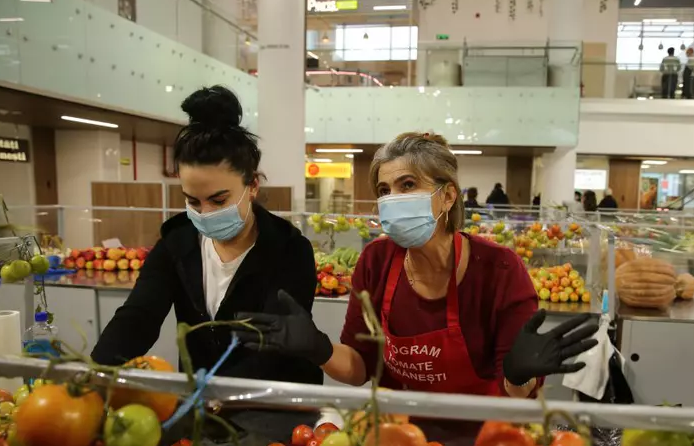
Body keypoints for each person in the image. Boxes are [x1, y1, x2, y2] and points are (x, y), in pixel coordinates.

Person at [235, 132, 599, 399]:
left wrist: (518, 375)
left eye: (407, 185)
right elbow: (361, 368)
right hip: (399, 438)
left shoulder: (499, 269)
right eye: (384, 190)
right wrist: (318, 348)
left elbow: (516, 395)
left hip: (483, 442)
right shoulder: (376, 261)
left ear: (448, 195)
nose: (393, 199)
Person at [91, 86, 322, 446]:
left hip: (274, 405)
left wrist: (213, 395)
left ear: (252, 185)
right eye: (193, 201)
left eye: (218, 200)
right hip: (201, 404)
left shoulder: (290, 250)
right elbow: (138, 317)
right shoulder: (177, 243)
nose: (205, 213)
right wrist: (97, 375)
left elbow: (271, 347)